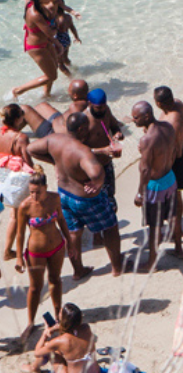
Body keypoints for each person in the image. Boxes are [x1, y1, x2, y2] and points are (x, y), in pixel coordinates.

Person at [28, 111, 124, 276]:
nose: (89, 130)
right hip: (85, 199)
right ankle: (117, 268)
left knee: (73, 233)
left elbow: (31, 149)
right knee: (110, 228)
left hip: (64, 195)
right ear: (81, 129)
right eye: (87, 127)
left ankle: (78, 270)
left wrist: (54, 161)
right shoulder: (83, 151)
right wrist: (98, 182)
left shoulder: (54, 139)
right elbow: (96, 172)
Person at [7, 170, 67, 339]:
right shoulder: (25, 206)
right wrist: (19, 258)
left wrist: (70, 243)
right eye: (31, 192)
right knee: (35, 288)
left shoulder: (55, 198)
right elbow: (20, 234)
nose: (34, 196)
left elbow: (61, 220)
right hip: (36, 252)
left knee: (55, 280)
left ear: (45, 188)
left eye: (37, 192)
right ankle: (30, 323)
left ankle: (58, 316)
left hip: (57, 246)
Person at [130, 99, 178, 271]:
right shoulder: (168, 127)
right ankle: (178, 248)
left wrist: (140, 193)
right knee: (172, 215)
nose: (133, 120)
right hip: (170, 178)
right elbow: (172, 150)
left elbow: (145, 170)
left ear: (147, 116)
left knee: (154, 225)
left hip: (156, 186)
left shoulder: (147, 139)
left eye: (136, 118)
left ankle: (151, 262)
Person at [29, 303, 101, 373]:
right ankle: (34, 367)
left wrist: (44, 334)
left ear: (64, 319)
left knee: (48, 348)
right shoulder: (86, 328)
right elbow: (73, 330)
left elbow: (37, 353)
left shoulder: (60, 341)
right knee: (64, 351)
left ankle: (34, 367)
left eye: (60, 312)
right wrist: (55, 328)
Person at [152, 85, 183, 258]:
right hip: (175, 155)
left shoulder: (173, 121)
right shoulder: (177, 104)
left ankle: (177, 235)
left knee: (174, 198)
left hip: (174, 160)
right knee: (175, 197)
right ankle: (177, 231)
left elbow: (175, 149)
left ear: (158, 104)